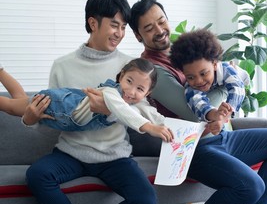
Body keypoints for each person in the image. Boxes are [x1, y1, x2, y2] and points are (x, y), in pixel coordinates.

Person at [128, 0, 267, 204]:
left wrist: (227, 76)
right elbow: (192, 110)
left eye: (161, 21)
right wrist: (226, 77)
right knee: (252, 185)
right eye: (148, 28)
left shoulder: (184, 55)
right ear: (138, 36)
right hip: (193, 148)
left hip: (222, 138)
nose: (159, 30)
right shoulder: (150, 69)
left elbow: (232, 80)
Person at [22, 0, 156, 204]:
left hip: (115, 155)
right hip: (71, 152)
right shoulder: (62, 65)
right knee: (37, 175)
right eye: (114, 25)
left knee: (146, 201)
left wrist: (109, 110)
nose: (119, 33)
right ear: (93, 23)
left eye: (124, 27)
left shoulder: (131, 65)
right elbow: (54, 118)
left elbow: (141, 111)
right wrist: (30, 119)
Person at [0, 59, 174, 142]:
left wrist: (171, 128)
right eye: (129, 81)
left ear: (148, 92)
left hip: (68, 112)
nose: (131, 91)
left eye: (140, 89)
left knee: (20, 99)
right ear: (121, 76)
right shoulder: (111, 93)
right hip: (59, 106)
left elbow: (151, 113)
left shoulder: (137, 101)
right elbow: (123, 111)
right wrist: (150, 127)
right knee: (10, 106)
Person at [169, 28, 246, 123]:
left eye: (203, 73)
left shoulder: (226, 70)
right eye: (190, 77)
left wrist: (228, 109)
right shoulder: (190, 89)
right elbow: (199, 104)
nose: (198, 81)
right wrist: (215, 114)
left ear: (214, 64)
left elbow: (237, 87)